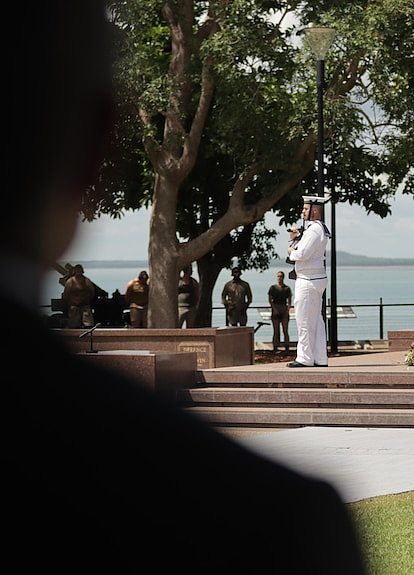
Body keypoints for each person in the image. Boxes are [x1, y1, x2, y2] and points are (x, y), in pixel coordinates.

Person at [7, 3, 365, 571]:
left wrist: (295, 241)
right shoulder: (267, 517)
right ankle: (310, 359)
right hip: (305, 282)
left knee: (307, 327)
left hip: (308, 279)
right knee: (305, 328)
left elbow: (294, 255)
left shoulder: (315, 231)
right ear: (92, 147)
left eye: (307, 204)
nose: (305, 208)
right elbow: (289, 256)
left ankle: (311, 361)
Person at [286, 195, 332, 368]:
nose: (302, 212)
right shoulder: (316, 229)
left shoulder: (314, 230)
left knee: (304, 320)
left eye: (305, 209)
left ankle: (304, 358)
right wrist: (296, 238)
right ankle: (320, 357)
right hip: (314, 278)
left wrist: (291, 250)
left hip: (308, 280)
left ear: (314, 210)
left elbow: (302, 254)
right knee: (316, 321)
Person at [62, 264, 96, 328]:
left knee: (88, 325)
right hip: (74, 306)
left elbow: (92, 292)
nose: (78, 272)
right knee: (74, 326)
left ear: (82, 271)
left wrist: (87, 300)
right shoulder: (70, 281)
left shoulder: (87, 281)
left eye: (79, 270)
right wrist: (71, 302)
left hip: (85, 306)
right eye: (77, 271)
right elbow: (66, 294)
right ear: (74, 271)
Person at [268, 270, 293, 352]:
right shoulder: (273, 288)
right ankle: (275, 346)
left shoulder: (287, 288)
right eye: (278, 276)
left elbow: (289, 301)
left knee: (285, 330)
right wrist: (274, 309)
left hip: (284, 308)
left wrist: (287, 310)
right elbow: (270, 300)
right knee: (276, 330)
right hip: (276, 308)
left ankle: (287, 346)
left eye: (281, 276)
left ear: (283, 277)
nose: (279, 278)